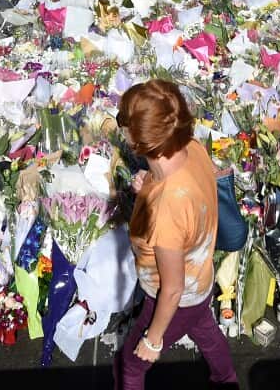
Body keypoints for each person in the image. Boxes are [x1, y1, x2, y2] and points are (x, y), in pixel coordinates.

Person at [113, 80, 237, 390]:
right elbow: (179, 191)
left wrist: (153, 339)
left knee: (130, 365)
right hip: (201, 278)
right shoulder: (190, 148)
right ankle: (226, 380)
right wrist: (149, 183)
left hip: (175, 298)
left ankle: (226, 379)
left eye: (126, 126)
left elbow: (172, 288)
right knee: (206, 331)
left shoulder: (169, 205)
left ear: (139, 141)